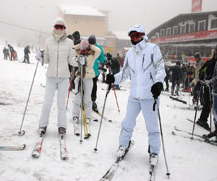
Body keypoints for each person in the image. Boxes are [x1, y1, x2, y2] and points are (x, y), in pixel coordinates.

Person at [105, 25, 166, 167]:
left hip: (150, 96)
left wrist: (158, 83)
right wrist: (114, 78)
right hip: (134, 96)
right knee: (127, 123)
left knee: (152, 126)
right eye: (131, 36)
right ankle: (123, 145)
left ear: (143, 35)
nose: (134, 39)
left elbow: (160, 68)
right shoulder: (130, 54)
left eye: (137, 35)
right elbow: (125, 73)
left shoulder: (153, 49)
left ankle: (154, 151)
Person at [37, 17, 77, 137]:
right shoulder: (48, 41)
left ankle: (62, 127)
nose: (59, 29)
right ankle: (42, 125)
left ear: (64, 28)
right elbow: (46, 59)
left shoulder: (70, 43)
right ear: (54, 27)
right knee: (47, 102)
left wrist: (79, 61)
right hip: (51, 76)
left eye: (61, 27)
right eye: (57, 27)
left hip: (64, 77)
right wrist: (41, 56)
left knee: (61, 104)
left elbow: (71, 60)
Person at [71, 39, 101, 130]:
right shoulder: (78, 53)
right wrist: (80, 45)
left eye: (85, 48)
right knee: (78, 97)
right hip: (79, 77)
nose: (83, 50)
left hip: (88, 78)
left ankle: (88, 116)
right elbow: (73, 48)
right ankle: (75, 115)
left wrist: (90, 45)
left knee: (87, 98)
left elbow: (99, 50)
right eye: (82, 48)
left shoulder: (92, 54)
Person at [201, 43, 217, 143]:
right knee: (214, 110)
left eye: (216, 51)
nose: (214, 52)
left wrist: (208, 82)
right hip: (216, 90)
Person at [196, 52, 217, 130]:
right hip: (213, 87)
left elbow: (201, 72)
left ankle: (203, 119)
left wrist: (202, 79)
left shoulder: (208, 62)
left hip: (207, 85)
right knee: (212, 104)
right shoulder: (214, 63)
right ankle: (205, 120)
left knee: (208, 103)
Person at [88, 35, 106, 113]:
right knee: (86, 86)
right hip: (86, 70)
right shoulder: (86, 46)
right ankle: (85, 100)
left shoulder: (98, 48)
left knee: (94, 86)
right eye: (91, 43)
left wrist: (106, 60)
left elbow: (101, 57)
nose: (92, 45)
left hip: (94, 71)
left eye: (93, 44)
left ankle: (93, 100)